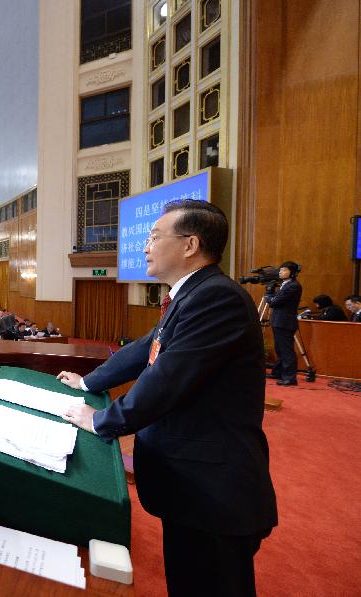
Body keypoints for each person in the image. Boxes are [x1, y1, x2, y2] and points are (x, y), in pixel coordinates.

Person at [56, 200, 276, 596]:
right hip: (194, 484)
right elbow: (147, 348)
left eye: (155, 236)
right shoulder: (191, 296)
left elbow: (169, 377)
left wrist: (100, 420)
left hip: (213, 489)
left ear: (190, 244)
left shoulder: (216, 298)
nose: (145, 246)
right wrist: (88, 383)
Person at [265, 261, 302, 386]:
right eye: (280, 270)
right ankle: (278, 372)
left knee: (286, 351)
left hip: (285, 322)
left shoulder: (293, 286)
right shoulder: (284, 284)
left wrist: (269, 295)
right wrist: (271, 296)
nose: (280, 272)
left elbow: (275, 302)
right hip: (278, 321)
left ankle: (290, 377)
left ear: (292, 272)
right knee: (279, 349)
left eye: (284, 270)